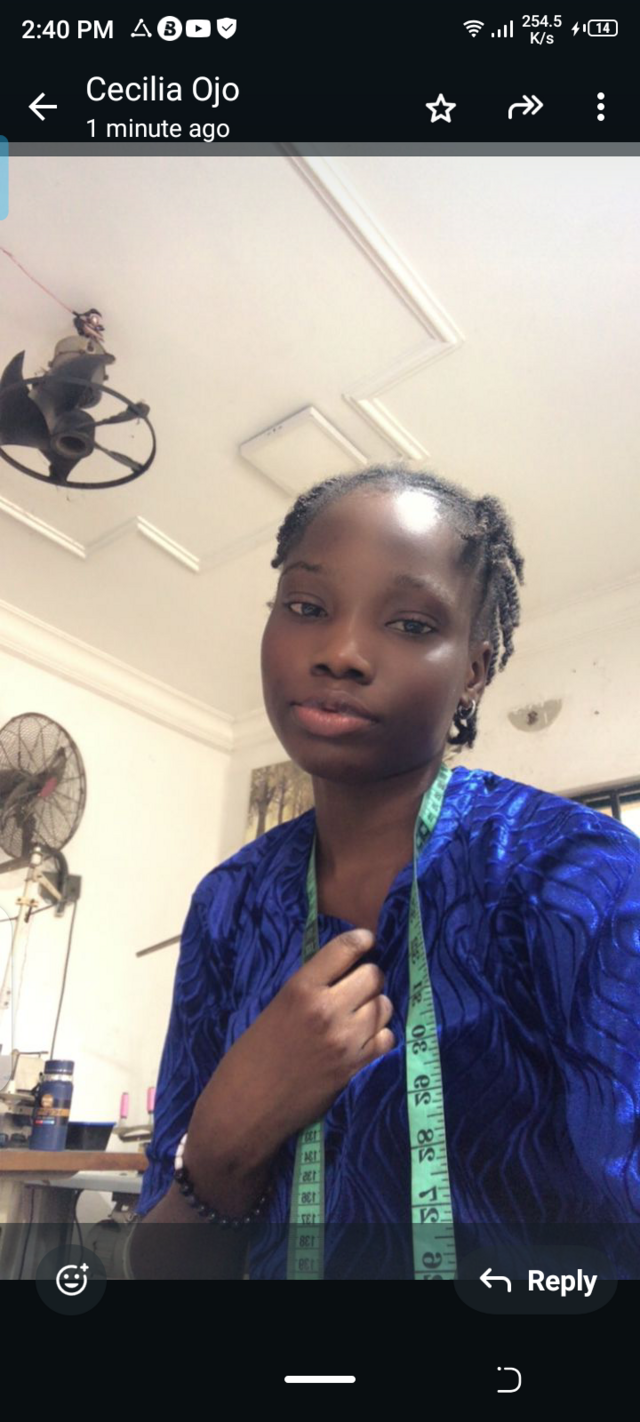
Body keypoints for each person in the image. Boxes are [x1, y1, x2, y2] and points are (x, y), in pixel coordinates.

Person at [127, 463, 640, 1281]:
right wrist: (222, 1144)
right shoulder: (228, 903)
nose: (341, 653)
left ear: (473, 670)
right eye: (307, 607)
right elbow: (163, 1271)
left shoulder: (580, 875)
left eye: (409, 623)